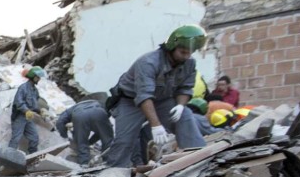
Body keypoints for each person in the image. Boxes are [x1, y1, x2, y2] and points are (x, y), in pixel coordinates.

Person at [104, 25, 207, 167]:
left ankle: (199, 160)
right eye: (183, 52)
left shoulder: (189, 63)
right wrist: (156, 125)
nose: (187, 56)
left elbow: (185, 88)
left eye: (190, 52)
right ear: (172, 47)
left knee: (186, 116)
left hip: (162, 100)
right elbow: (144, 95)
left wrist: (180, 105)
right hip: (131, 102)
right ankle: (114, 173)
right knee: (125, 141)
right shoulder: (148, 62)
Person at [55, 96, 114, 167]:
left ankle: (84, 164)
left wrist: (64, 135)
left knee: (81, 142)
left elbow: (60, 122)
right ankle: (109, 161)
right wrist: (91, 142)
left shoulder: (71, 109)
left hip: (79, 115)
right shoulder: (99, 103)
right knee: (107, 139)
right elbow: (101, 132)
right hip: (99, 112)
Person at [9, 66, 46, 154]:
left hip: (28, 118)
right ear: (32, 76)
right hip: (19, 117)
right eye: (37, 77)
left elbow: (34, 105)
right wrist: (26, 110)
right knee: (16, 138)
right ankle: (9, 155)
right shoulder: (23, 88)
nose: (39, 79)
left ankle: (32, 156)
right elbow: (18, 102)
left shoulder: (35, 90)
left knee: (34, 138)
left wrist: (40, 111)